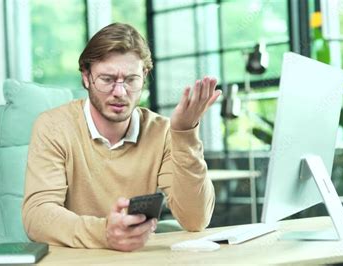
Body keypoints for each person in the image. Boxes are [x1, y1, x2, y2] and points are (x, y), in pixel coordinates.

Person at [22, 23, 221, 252]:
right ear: (86, 77)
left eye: (130, 80)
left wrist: (184, 132)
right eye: (107, 79)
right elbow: (37, 216)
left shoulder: (162, 132)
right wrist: (105, 232)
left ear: (144, 76)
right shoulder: (53, 127)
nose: (120, 92)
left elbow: (196, 220)